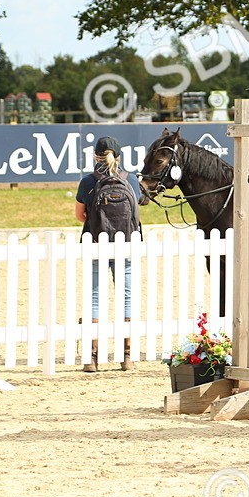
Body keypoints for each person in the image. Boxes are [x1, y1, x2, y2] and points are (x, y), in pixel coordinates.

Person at [74, 136, 141, 372]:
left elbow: (80, 215)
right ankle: (127, 357)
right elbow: (136, 210)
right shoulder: (130, 179)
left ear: (95, 157)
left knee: (94, 297)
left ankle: (91, 358)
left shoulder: (88, 182)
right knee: (127, 297)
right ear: (119, 157)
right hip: (126, 246)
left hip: (96, 244)